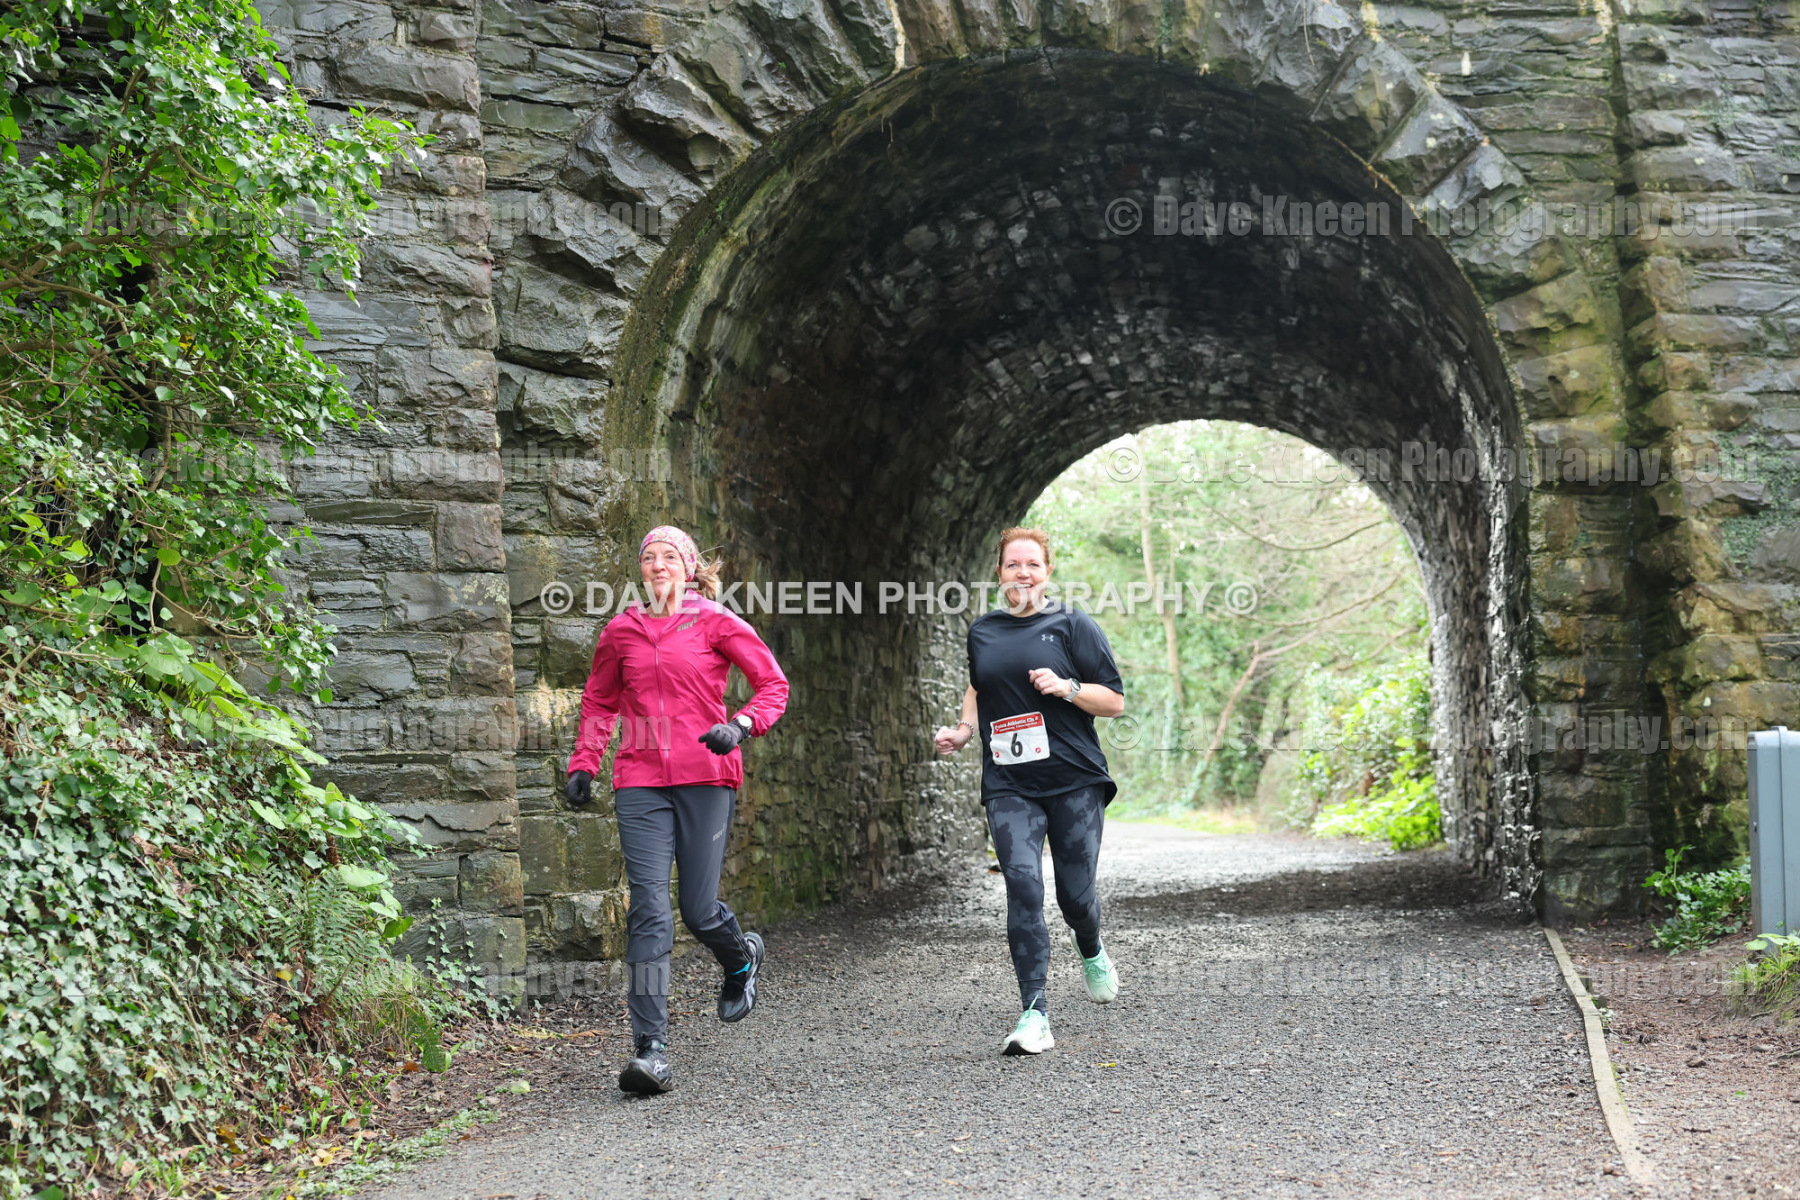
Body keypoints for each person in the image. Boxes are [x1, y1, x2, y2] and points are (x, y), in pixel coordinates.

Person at [565, 525, 789, 1094]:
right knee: (648, 911)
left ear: (689, 569)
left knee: (698, 909)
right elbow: (600, 700)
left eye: (670, 556)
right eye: (649, 557)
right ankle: (651, 1051)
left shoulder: (715, 621)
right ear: (641, 570)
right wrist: (585, 763)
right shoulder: (621, 630)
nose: (658, 564)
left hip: (706, 776)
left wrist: (740, 725)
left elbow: (772, 685)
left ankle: (740, 959)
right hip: (640, 781)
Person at [934, 527, 1126, 1055]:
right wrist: (964, 730)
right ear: (999, 572)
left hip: (1074, 779)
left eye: (1033, 564)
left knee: (1075, 897)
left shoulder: (1072, 624)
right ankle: (1034, 1013)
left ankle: (1090, 945)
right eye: (1013, 564)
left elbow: (1114, 702)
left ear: (1047, 571)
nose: (1023, 573)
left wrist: (1067, 687)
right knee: (1022, 886)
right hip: (1009, 782)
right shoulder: (983, 631)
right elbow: (979, 686)